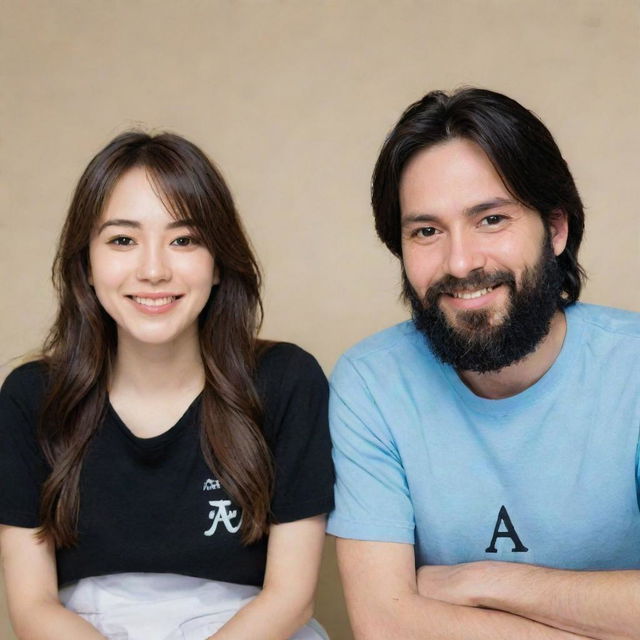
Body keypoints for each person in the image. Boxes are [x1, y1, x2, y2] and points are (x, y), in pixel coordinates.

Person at [327, 87, 640, 639]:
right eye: (426, 231)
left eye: (491, 219)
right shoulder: (370, 383)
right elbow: (384, 625)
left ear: (557, 229)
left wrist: (487, 580)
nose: (461, 261)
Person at [0, 132, 334, 640]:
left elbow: (290, 598)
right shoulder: (32, 397)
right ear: (86, 264)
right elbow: (31, 607)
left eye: (184, 239)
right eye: (122, 240)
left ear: (219, 261)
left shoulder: (286, 381)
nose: (153, 270)